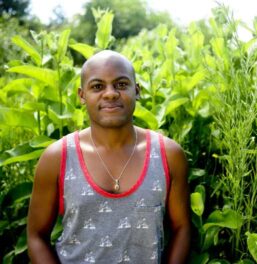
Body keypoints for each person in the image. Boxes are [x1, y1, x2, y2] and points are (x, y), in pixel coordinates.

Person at [27, 50, 191, 264]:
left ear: (137, 91)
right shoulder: (58, 157)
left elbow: (182, 228)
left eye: (121, 84)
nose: (111, 93)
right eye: (97, 86)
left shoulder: (168, 155)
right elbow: (35, 236)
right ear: (81, 95)